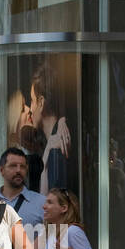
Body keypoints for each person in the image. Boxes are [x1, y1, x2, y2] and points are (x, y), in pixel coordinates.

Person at [31, 65, 72, 195]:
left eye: (32, 101)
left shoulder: (57, 144)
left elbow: (55, 203)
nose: (30, 109)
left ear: (41, 103)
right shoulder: (50, 141)